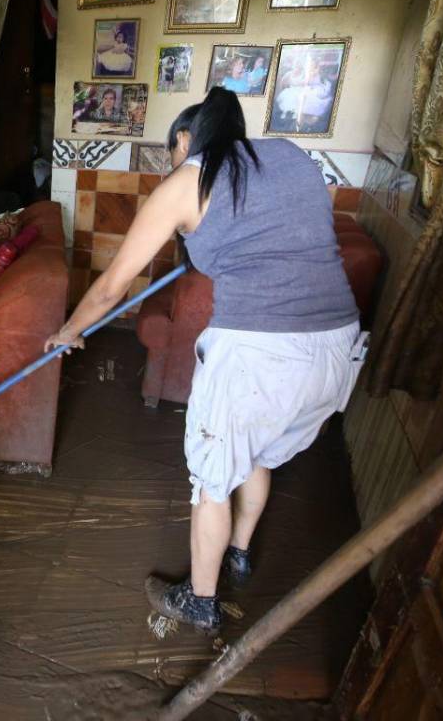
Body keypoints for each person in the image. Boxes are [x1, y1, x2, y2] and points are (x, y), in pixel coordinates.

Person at [44, 88, 365, 635]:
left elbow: (112, 287)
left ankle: (200, 599)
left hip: (261, 353)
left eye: (173, 152)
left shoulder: (189, 179)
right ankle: (238, 553)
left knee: (213, 481)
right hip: (337, 346)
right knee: (258, 454)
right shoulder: (289, 154)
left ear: (187, 139)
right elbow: (288, 242)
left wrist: (68, 332)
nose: (174, 164)